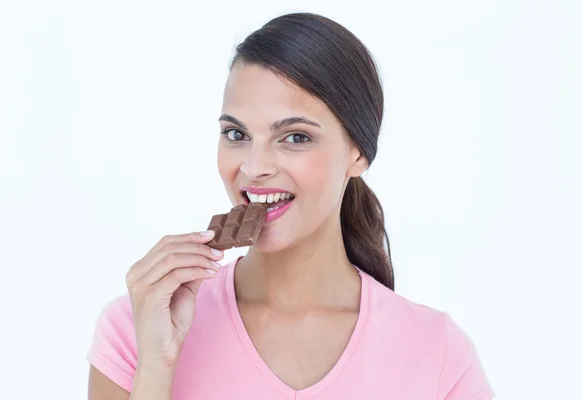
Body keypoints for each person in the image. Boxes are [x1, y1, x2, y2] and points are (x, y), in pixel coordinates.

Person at [87, 12, 494, 400]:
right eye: (236, 133)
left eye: (295, 137)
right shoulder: (138, 329)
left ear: (357, 153)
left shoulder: (438, 354)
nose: (253, 167)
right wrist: (157, 368)